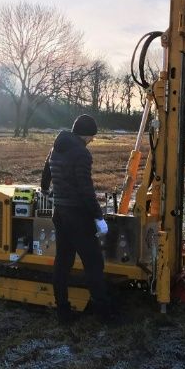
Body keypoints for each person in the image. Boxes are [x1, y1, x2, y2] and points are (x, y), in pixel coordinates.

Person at [41, 114, 112, 324]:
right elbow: (85, 189)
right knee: (94, 263)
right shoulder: (81, 153)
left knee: (63, 263)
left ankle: (63, 311)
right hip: (78, 216)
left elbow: (46, 173)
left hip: (60, 213)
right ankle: (104, 315)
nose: (92, 140)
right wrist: (98, 216)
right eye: (92, 136)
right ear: (86, 134)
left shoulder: (56, 147)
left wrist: (45, 190)